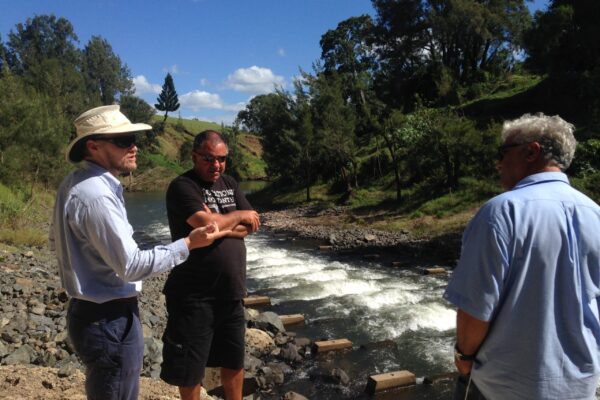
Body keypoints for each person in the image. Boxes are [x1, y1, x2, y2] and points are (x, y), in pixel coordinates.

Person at [49, 105, 228, 400]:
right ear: (93, 146)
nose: (133, 146)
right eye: (122, 140)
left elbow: (56, 243)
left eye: (133, 138)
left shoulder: (73, 183)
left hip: (89, 313)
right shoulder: (97, 196)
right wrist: (188, 244)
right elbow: (131, 265)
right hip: (109, 320)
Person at [444, 113, 600, 400]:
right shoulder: (595, 214)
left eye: (502, 153)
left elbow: (475, 311)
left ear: (531, 151)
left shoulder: (501, 212)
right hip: (580, 388)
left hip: (503, 388)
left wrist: (463, 357)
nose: (498, 163)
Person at [160, 130, 260, 400]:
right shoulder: (183, 186)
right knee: (190, 369)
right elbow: (207, 224)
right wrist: (236, 215)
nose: (216, 165)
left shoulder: (229, 183)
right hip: (193, 295)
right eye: (208, 158)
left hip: (231, 292)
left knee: (233, 362)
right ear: (194, 156)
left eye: (222, 159)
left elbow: (250, 226)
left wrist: (220, 226)